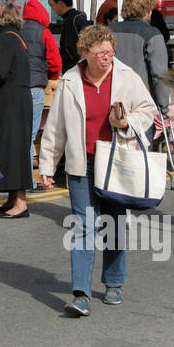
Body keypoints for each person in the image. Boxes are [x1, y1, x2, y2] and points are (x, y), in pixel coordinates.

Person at [38, 25, 156, 316]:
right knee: (83, 225)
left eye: (109, 51)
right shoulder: (70, 80)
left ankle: (114, 282)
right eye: (99, 52)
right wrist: (47, 166)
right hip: (82, 164)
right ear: (85, 53)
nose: (106, 56)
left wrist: (127, 122)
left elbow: (148, 109)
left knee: (114, 223)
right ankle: (81, 293)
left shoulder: (127, 77)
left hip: (115, 162)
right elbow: (55, 128)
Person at [0, 2, 34, 218]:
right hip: (18, 100)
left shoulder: (5, 39)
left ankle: (20, 202)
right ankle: (14, 198)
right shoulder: (17, 37)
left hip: (9, 103)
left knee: (12, 150)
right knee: (15, 149)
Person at [109, 0, 171, 112]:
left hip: (110, 99)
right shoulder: (152, 34)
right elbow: (159, 74)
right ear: (147, 11)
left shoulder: (107, 31)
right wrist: (164, 107)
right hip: (140, 103)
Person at [21, 0, 62, 157]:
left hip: (17, 88)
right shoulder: (44, 32)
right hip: (36, 89)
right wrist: (51, 77)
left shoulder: (17, 30)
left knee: (19, 136)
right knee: (30, 138)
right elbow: (55, 62)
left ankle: (19, 177)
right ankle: (29, 181)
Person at [51, 0, 91, 72]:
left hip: (73, 69)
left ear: (60, 3)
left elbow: (71, 50)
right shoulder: (76, 17)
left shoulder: (70, 21)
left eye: (52, 5)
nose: (52, 8)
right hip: (80, 66)